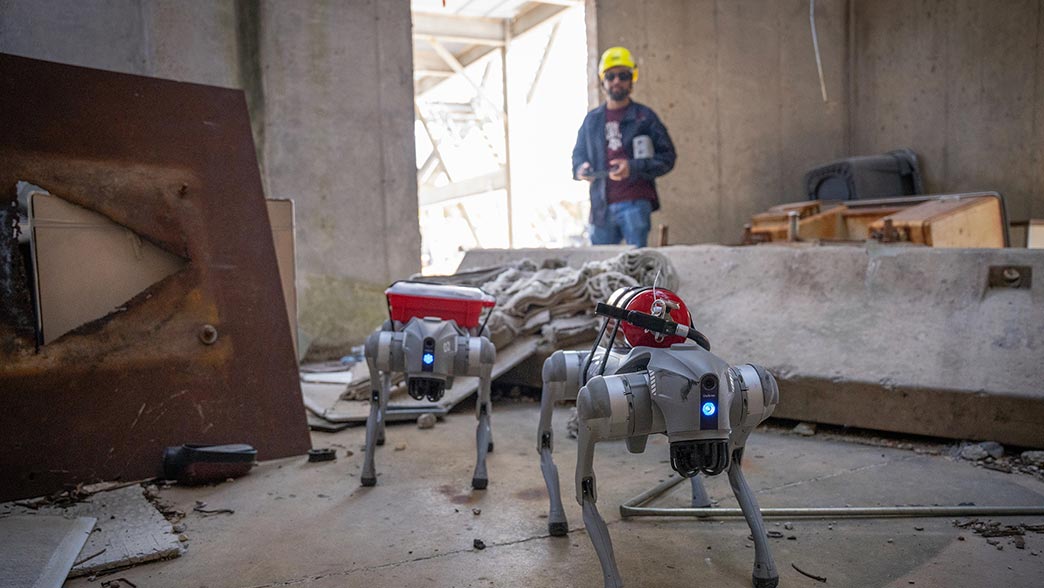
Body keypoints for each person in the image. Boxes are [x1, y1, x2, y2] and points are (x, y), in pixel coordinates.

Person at [572, 46, 676, 248]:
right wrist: (581, 168)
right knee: (599, 264)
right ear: (603, 81)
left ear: (632, 79)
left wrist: (633, 167)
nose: (616, 81)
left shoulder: (645, 117)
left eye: (623, 75)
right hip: (601, 208)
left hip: (635, 203)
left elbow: (667, 157)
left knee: (635, 262)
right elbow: (578, 154)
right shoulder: (592, 121)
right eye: (610, 76)